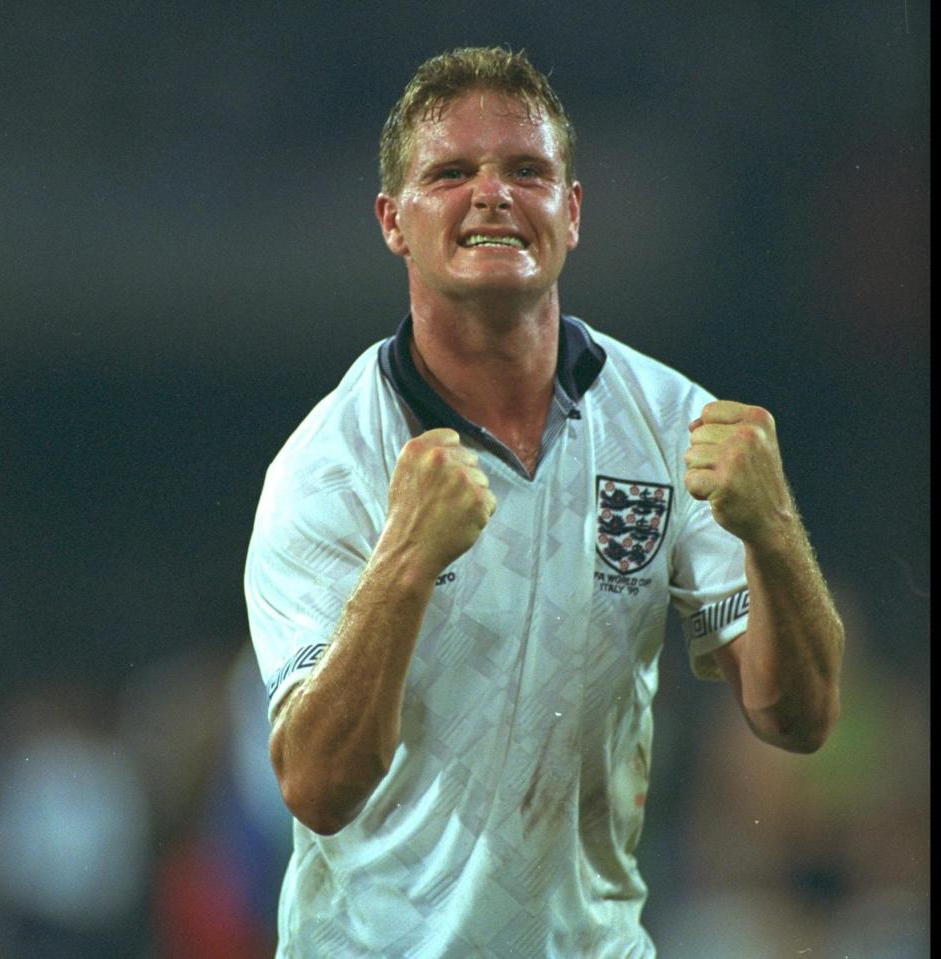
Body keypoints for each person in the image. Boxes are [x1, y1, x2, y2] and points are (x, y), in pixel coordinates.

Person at [244, 46, 844, 958]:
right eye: (450, 173)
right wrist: (405, 561)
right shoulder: (328, 468)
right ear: (392, 222)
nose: (492, 194)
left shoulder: (670, 421)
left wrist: (773, 531)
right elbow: (319, 785)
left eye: (526, 170)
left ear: (570, 211)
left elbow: (798, 718)